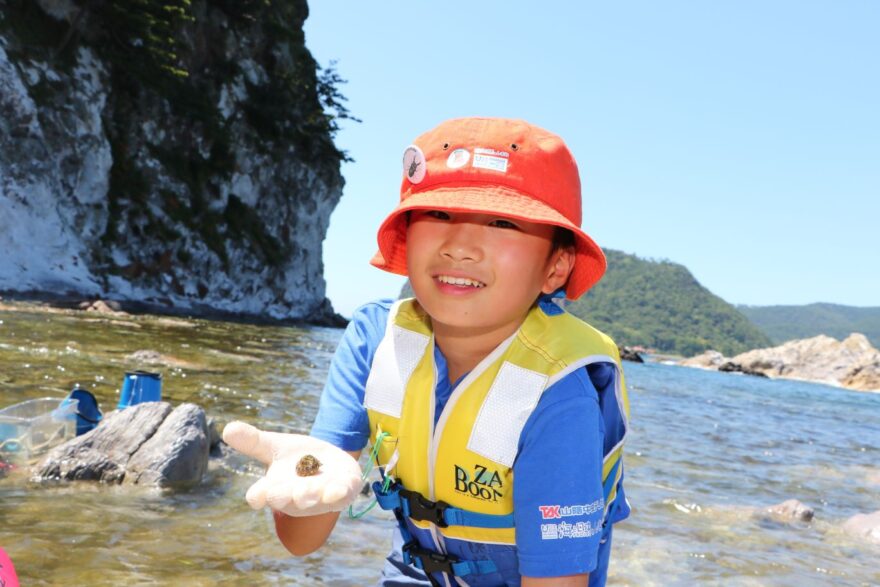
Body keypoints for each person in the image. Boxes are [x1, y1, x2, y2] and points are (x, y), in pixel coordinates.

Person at [224, 117, 630, 587]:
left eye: (502, 222)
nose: (460, 246)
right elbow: (301, 542)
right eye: (438, 215)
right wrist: (303, 481)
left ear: (555, 268)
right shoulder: (376, 339)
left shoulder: (559, 392)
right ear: (407, 235)